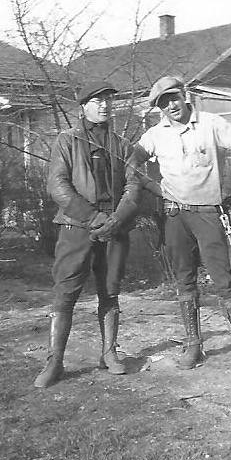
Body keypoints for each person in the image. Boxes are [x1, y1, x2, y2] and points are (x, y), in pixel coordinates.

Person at [135, 76, 231, 378]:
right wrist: (151, 186)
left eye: (173, 97)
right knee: (184, 280)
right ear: (158, 108)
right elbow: (131, 160)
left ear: (184, 95)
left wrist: (229, 186)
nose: (170, 105)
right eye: (162, 102)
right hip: (174, 217)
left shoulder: (210, 124)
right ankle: (194, 344)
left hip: (209, 214)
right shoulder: (155, 134)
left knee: (224, 281)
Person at [34, 81, 142, 388]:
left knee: (110, 291)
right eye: (97, 101)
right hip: (76, 227)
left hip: (115, 229)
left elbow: (134, 187)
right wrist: (93, 217)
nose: (104, 106)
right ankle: (55, 361)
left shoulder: (123, 145)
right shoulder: (66, 141)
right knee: (65, 292)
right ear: (83, 106)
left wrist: (116, 219)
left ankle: (109, 353)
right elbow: (58, 186)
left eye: (108, 100)